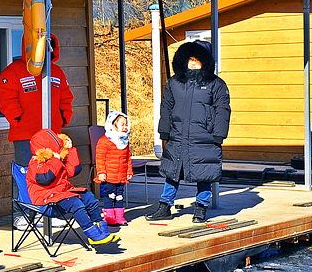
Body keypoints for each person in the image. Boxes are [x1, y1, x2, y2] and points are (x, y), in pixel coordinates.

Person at [149, 40, 231, 224]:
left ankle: (201, 208)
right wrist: (164, 130)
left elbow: (223, 109)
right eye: (190, 59)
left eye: (197, 60)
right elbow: (166, 106)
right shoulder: (175, 83)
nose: (192, 63)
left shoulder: (216, 84)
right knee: (172, 172)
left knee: (204, 174)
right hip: (178, 136)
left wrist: (219, 134)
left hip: (204, 137)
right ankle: (165, 206)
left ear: (205, 61)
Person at [26, 129, 119, 246]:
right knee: (75, 203)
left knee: (89, 198)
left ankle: (101, 230)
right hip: (45, 199)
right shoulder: (35, 163)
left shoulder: (57, 160)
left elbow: (73, 171)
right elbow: (45, 178)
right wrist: (56, 160)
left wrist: (70, 150)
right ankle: (93, 235)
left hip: (61, 194)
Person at [0, 34, 75, 167]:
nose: (43, 50)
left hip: (53, 133)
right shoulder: (13, 71)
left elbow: (66, 98)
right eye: (40, 46)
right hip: (26, 136)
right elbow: (6, 98)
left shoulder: (56, 72)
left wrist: (63, 118)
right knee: (28, 175)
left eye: (46, 47)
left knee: (54, 174)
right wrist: (19, 119)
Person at [96, 110, 132, 227]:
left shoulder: (124, 141)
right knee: (110, 196)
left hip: (120, 174)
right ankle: (109, 217)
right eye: (122, 125)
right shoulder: (104, 141)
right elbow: (100, 158)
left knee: (120, 195)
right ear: (113, 125)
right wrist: (101, 172)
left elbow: (128, 157)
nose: (125, 127)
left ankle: (120, 216)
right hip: (109, 175)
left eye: (126, 124)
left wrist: (129, 171)